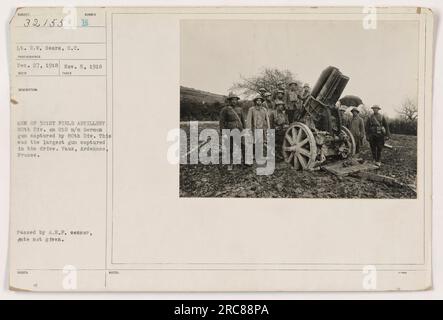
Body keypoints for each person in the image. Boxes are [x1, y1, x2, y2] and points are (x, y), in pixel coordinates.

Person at [219, 92, 245, 170]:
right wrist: (223, 132)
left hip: (239, 130)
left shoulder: (240, 109)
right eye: (232, 100)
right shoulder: (225, 110)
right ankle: (229, 163)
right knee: (230, 147)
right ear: (229, 101)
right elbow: (222, 122)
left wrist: (244, 130)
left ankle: (244, 161)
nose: (234, 101)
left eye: (235, 100)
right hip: (229, 130)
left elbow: (243, 120)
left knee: (242, 145)